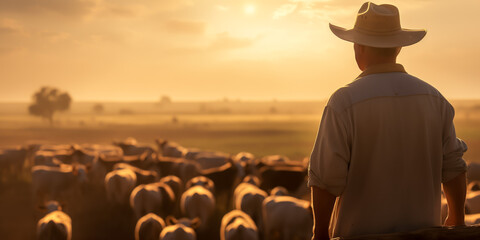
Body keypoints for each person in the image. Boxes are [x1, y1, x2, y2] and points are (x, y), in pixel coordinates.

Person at [308, 2, 468, 239]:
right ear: (398, 48)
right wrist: (457, 218)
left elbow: (326, 178)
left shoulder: (343, 102)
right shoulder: (434, 99)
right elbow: (454, 167)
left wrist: (320, 231)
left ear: (358, 46)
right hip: (424, 234)